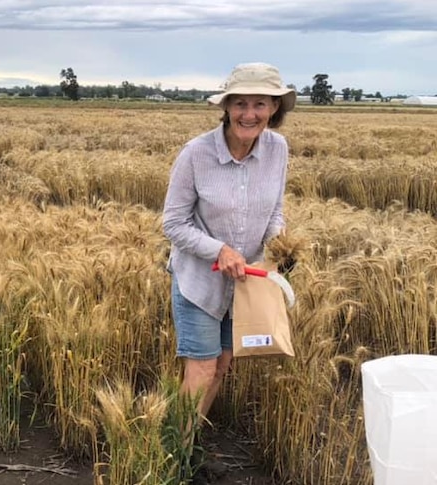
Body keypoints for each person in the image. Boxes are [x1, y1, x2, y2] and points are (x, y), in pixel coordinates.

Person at [161, 62, 295, 479]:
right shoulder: (196, 154)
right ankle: (173, 458)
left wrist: (276, 246)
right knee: (200, 369)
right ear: (226, 107)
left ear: (274, 107)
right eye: (240, 103)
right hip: (200, 280)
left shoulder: (278, 149)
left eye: (260, 103)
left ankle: (188, 443)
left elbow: (275, 211)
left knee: (221, 365)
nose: (249, 113)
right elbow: (173, 223)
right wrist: (220, 249)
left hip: (246, 284)